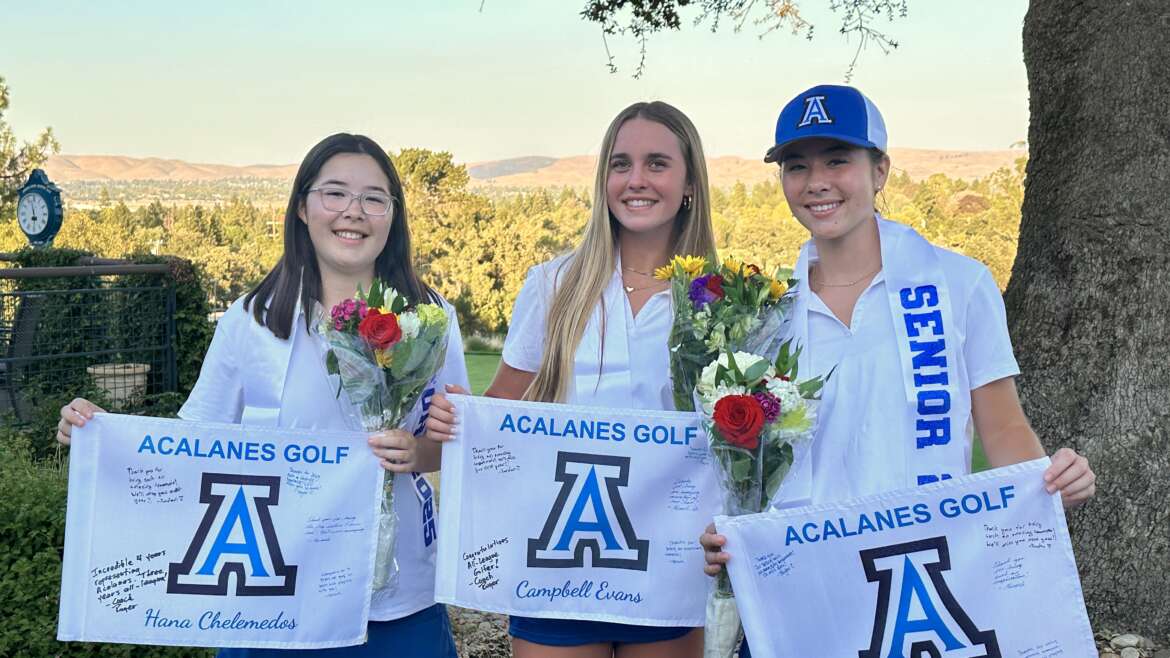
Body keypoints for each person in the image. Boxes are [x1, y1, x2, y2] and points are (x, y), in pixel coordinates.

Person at [699, 85, 1096, 657]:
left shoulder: (959, 285)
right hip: (808, 590)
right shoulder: (763, 313)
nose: (817, 182)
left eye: (839, 160)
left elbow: (1002, 426)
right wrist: (725, 529)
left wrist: (1049, 486)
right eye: (796, 166)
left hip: (928, 582)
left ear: (880, 170)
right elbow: (743, 466)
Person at [56, 132, 467, 658]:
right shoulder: (249, 320)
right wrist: (103, 435)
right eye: (335, 193)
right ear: (302, 207)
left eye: (373, 198)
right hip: (271, 594)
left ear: (393, 213)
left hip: (397, 597)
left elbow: (454, 441)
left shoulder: (431, 317)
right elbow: (195, 444)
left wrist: (417, 454)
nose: (354, 212)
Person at [424, 101, 716, 657]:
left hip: (669, 563)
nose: (635, 180)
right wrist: (459, 417)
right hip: (556, 562)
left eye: (657, 163)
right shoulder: (552, 285)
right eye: (619, 163)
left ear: (689, 184)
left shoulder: (720, 297)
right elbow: (501, 412)